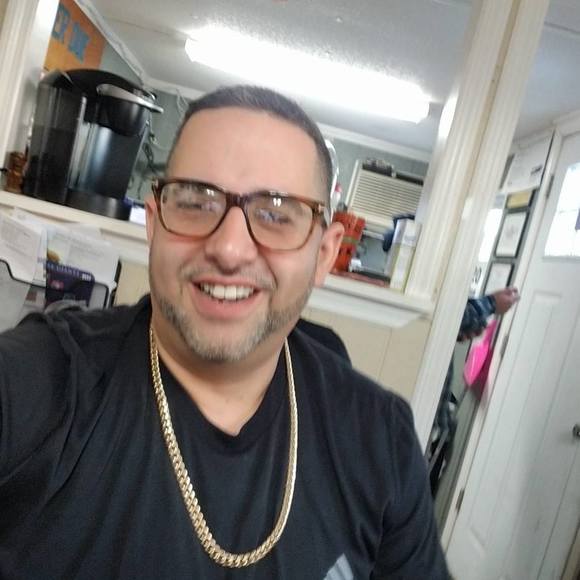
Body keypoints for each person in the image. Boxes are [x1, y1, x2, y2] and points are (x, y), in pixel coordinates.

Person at [0, 85, 449, 579]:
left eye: (275, 214)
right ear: (155, 223)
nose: (230, 250)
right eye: (196, 203)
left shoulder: (380, 439)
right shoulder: (43, 380)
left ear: (324, 254)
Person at [428, 287, 520, 495]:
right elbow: (450, 314)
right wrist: (491, 304)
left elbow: (453, 320)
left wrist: (459, 330)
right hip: (429, 434)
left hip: (437, 429)